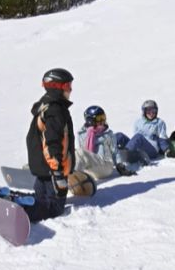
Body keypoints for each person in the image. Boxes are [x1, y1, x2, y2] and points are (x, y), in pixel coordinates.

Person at [25, 68, 76, 222]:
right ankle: (22, 213)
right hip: (52, 171)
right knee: (54, 207)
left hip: (43, 169)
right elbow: (52, 142)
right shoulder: (56, 110)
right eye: (67, 86)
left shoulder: (45, 106)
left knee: (40, 200)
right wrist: (58, 171)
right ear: (57, 87)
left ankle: (13, 201)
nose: (71, 90)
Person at [76, 105, 137, 178]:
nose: (102, 121)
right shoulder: (81, 134)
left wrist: (120, 166)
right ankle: (70, 178)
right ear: (90, 120)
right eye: (99, 118)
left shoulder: (108, 134)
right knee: (77, 152)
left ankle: (71, 178)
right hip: (91, 167)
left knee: (81, 152)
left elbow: (115, 152)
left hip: (106, 166)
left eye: (103, 117)